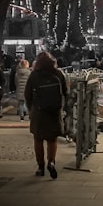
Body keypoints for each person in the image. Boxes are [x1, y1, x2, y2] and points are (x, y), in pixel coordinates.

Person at [24, 51, 68, 179]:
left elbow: (27, 94)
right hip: (54, 111)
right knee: (52, 139)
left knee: (38, 139)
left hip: (39, 111)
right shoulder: (58, 73)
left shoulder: (34, 75)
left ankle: (40, 167)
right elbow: (66, 91)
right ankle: (51, 162)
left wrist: (30, 108)